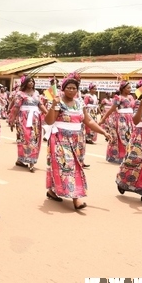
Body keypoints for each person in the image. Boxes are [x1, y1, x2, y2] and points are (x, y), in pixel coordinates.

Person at [44, 73, 111, 209]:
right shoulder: (58, 102)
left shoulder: (80, 103)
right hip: (60, 139)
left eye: (74, 88)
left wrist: (103, 131)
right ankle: (76, 198)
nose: (71, 90)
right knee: (68, 166)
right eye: (68, 88)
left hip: (78, 139)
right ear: (63, 89)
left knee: (74, 166)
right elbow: (49, 120)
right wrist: (53, 106)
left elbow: (89, 120)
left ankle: (52, 190)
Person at [8, 75, 48, 172]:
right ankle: (23, 160)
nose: (31, 83)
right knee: (25, 138)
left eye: (32, 81)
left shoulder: (36, 93)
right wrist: (12, 120)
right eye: (29, 81)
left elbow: (40, 104)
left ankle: (31, 161)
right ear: (25, 83)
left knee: (34, 138)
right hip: (23, 119)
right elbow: (16, 107)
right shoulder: (20, 94)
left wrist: (48, 113)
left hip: (35, 120)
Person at [99, 81, 135, 164]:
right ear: (122, 89)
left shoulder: (131, 97)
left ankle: (128, 155)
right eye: (128, 88)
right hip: (121, 119)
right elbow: (112, 109)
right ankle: (119, 156)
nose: (130, 89)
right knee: (122, 137)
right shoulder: (118, 98)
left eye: (130, 87)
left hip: (130, 119)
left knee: (130, 137)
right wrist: (103, 119)